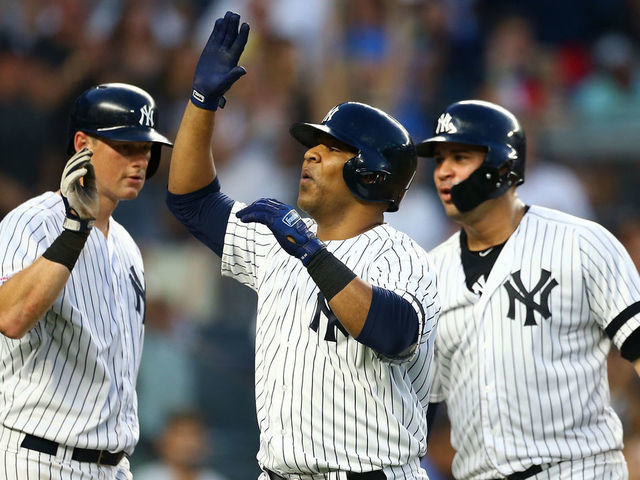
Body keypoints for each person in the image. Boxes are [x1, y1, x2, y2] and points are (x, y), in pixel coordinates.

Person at [166, 11, 440, 480]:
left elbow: (393, 331)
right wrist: (202, 102)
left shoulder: (401, 255)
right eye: (314, 144)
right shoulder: (282, 240)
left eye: (332, 147)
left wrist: (311, 253)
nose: (310, 153)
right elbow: (192, 201)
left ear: (371, 174)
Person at [417, 99, 640, 479]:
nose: (443, 172)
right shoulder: (430, 273)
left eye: (459, 157)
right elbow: (422, 409)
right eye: (439, 160)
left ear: (502, 167)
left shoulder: (580, 242)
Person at [0, 82, 173, 479]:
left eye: (146, 149)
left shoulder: (128, 246)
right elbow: (10, 316)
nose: (140, 161)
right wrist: (75, 230)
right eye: (126, 147)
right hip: (38, 458)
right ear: (83, 144)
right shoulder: (34, 222)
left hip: (113, 465)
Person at [134, 410, 228, 480]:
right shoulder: (146, 477)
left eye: (194, 434)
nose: (188, 444)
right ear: (163, 441)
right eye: (181, 435)